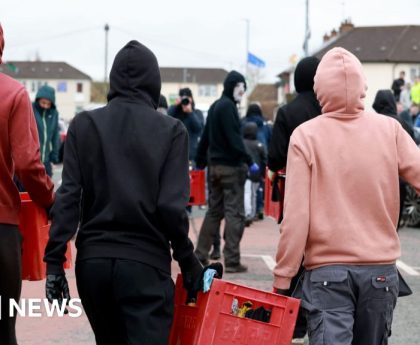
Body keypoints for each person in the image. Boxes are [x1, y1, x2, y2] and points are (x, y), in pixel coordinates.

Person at [43, 41, 205, 345]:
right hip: (145, 265)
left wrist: (54, 264)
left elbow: (69, 197)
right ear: (153, 82)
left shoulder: (83, 124)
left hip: (93, 264)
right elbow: (171, 209)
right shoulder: (171, 131)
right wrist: (187, 260)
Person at [273, 47, 420, 345]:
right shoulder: (389, 129)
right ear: (362, 85)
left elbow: (297, 216)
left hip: (327, 271)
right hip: (380, 270)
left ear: (319, 90)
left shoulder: (305, 136)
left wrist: (283, 276)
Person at [0, 24, 54, 345]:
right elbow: (28, 165)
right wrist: (50, 201)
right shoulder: (13, 94)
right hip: (1, 227)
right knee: (3, 330)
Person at [268, 56, 321, 341]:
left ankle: (294, 321)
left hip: (296, 190)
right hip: (328, 192)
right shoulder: (329, 109)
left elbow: (275, 157)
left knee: (295, 254)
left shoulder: (288, 113)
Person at [194, 70, 257, 273]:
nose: (242, 92)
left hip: (214, 168)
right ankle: (232, 260)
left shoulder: (214, 106)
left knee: (214, 211)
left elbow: (205, 137)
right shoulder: (229, 107)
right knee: (234, 214)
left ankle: (200, 254)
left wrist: (200, 159)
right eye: (241, 87)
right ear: (234, 86)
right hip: (231, 168)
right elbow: (234, 139)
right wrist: (249, 160)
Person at [372, 89, 415, 228]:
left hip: (377, 180)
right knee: (393, 226)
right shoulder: (403, 124)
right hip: (399, 180)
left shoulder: (372, 124)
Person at [242, 103, 272, 219]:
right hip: (261, 157)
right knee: (259, 185)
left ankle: (247, 210)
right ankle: (258, 208)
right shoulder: (265, 125)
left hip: (247, 159)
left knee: (246, 188)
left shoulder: (244, 122)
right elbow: (270, 140)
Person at [168, 87, 204, 164]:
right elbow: (167, 117)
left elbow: (199, 129)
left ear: (191, 99)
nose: (185, 101)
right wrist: (176, 105)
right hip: (175, 157)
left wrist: (190, 112)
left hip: (192, 158)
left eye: (187, 98)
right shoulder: (175, 113)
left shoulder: (197, 113)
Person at [32, 85, 60, 177]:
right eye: (43, 103)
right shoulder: (30, 110)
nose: (45, 106)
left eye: (48, 104)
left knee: (46, 189)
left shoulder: (54, 114)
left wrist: (54, 157)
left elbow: (56, 136)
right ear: (38, 100)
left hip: (46, 161)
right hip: (31, 161)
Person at [243, 122, 267, 225]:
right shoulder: (259, 145)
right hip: (257, 173)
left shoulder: (242, 143)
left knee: (247, 193)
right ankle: (252, 214)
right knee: (254, 194)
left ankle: (247, 213)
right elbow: (265, 159)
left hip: (245, 172)